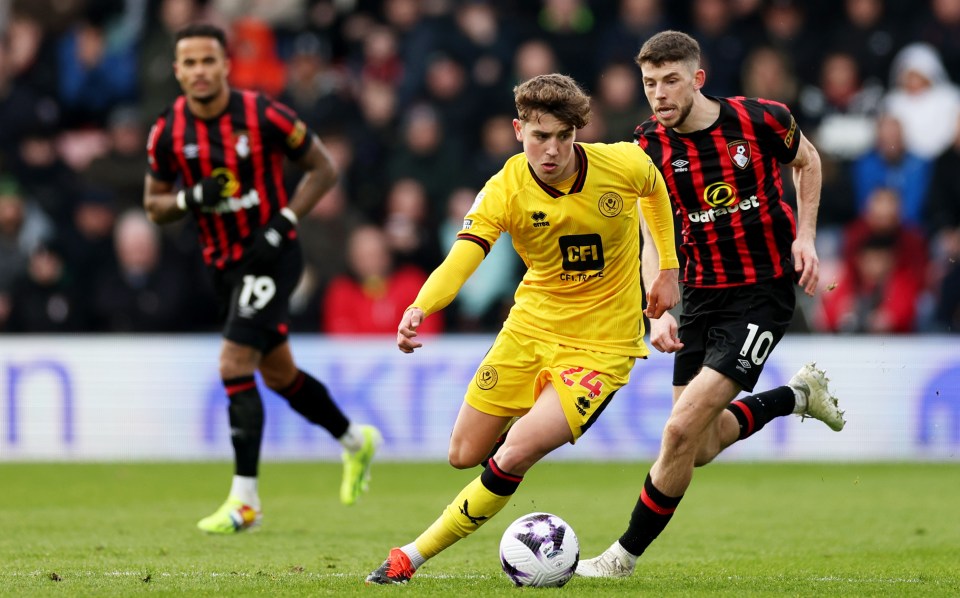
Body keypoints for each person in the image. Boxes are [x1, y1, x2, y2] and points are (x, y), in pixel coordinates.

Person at [365, 73, 681, 585]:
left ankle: (409, 557)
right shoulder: (505, 189)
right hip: (529, 330)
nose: (551, 149)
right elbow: (463, 257)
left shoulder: (622, 163)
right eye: (539, 136)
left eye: (562, 136)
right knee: (463, 455)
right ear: (518, 130)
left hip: (600, 348)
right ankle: (521, 442)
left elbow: (655, 189)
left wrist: (665, 266)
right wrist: (420, 306)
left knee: (513, 453)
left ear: (579, 131)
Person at [576, 30, 847, 578]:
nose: (659, 94)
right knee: (699, 445)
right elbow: (649, 229)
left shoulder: (761, 120)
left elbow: (809, 160)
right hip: (699, 295)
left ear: (697, 79)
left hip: (761, 293)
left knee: (676, 433)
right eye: (649, 83)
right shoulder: (647, 145)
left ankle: (621, 558)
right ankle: (796, 395)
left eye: (670, 81)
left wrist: (807, 238)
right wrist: (657, 298)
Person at [142, 23, 381, 534]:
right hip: (223, 265)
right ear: (177, 70)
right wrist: (189, 199)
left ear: (226, 65)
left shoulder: (262, 114)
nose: (201, 71)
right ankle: (357, 442)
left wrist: (285, 221)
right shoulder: (168, 131)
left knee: (233, 361)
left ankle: (245, 500)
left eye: (209, 60)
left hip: (273, 256)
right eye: (190, 63)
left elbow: (324, 168)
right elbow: (154, 204)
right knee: (278, 375)